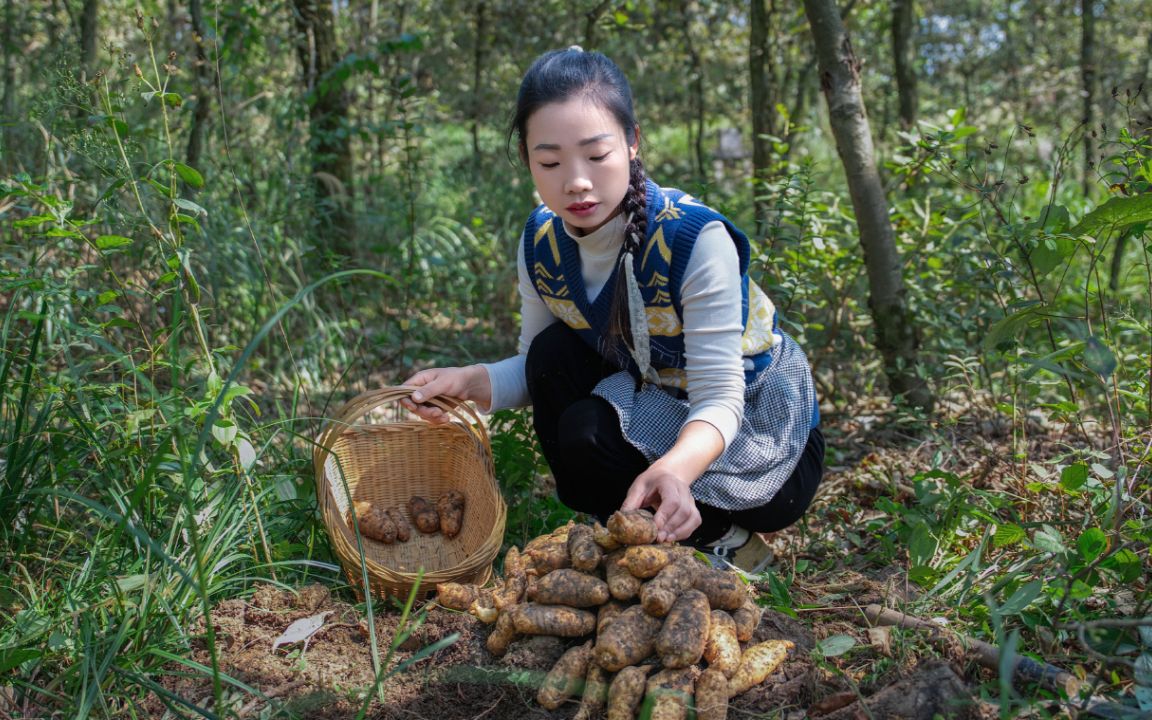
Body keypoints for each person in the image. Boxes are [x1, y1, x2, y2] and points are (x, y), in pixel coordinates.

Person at [401, 47, 824, 574]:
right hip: (652, 395)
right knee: (555, 356)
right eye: (550, 162)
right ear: (528, 159)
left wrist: (675, 469)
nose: (575, 181)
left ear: (632, 143)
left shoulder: (693, 239)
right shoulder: (542, 242)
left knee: (759, 490)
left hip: (754, 426)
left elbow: (721, 394)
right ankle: (665, 535)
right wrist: (470, 382)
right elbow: (537, 368)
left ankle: (710, 524)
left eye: (597, 156)